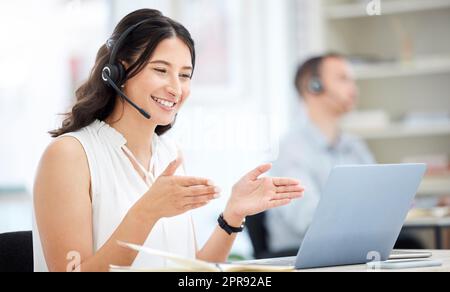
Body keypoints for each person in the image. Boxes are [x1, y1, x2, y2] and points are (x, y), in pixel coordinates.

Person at [32, 9, 305, 272]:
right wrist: (146, 212)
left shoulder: (169, 154)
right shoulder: (69, 155)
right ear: (119, 72)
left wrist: (233, 215)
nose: (175, 88)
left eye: (184, 75)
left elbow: (190, 269)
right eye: (161, 70)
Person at [265, 53, 375, 254]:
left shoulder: (354, 145)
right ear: (313, 86)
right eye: (343, 79)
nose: (354, 89)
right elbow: (309, 221)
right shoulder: (291, 150)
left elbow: (379, 196)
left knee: (411, 245)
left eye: (353, 80)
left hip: (350, 245)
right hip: (301, 252)